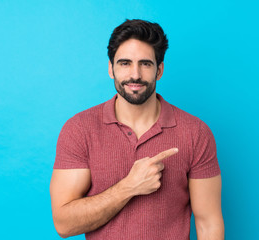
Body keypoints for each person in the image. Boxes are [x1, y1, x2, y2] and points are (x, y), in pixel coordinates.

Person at [50, 19, 224, 240]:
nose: (135, 75)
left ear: (159, 70)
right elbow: (64, 225)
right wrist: (129, 187)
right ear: (111, 68)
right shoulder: (79, 130)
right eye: (124, 63)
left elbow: (208, 223)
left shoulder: (195, 132)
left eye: (145, 64)